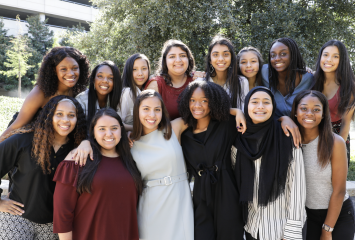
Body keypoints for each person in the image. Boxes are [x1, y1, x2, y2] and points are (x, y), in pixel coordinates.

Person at [0, 96, 87, 239]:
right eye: (59, 114)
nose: (65, 120)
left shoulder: (78, 150)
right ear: (48, 116)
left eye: (71, 115)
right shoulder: (23, 141)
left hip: (54, 225)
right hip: (18, 217)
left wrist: (87, 142)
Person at [53, 108, 142, 240]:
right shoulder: (78, 158)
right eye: (102, 129)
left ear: (121, 131)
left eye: (114, 128)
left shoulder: (131, 159)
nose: (109, 134)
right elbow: (63, 209)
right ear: (93, 133)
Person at [233, 86, 306, 240]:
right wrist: (234, 112)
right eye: (255, 102)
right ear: (246, 106)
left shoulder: (287, 136)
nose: (260, 106)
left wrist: (292, 230)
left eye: (266, 102)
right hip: (252, 227)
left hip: (281, 228)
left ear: (273, 107)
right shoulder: (239, 141)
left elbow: (297, 186)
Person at [178, 81, 246, 240]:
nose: (197, 105)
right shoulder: (184, 134)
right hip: (200, 194)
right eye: (192, 100)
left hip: (227, 191)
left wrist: (284, 119)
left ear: (213, 102)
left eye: (204, 100)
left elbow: (260, 121)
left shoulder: (227, 125)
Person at [130, 89, 195, 240]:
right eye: (146, 109)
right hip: (150, 206)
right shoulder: (130, 142)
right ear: (137, 111)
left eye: (157, 110)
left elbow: (203, 112)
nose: (152, 115)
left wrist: (236, 112)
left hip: (180, 201)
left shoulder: (173, 128)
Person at [291, 90, 355, 240]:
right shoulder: (289, 141)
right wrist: (283, 119)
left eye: (316, 110)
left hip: (338, 215)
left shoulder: (335, 142)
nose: (309, 113)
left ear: (324, 114)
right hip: (307, 216)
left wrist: (327, 230)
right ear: (295, 111)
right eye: (304, 108)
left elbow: (339, 190)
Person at [0, 46, 90, 140]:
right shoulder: (40, 92)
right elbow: (16, 127)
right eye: (63, 69)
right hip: (26, 137)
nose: (71, 73)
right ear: (54, 70)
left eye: (75, 68)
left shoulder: (79, 92)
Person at [312, 40, 355, 165]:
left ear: (342, 60)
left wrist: (336, 150)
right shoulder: (311, 81)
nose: (329, 59)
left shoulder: (349, 87)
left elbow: (346, 124)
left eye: (335, 56)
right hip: (313, 135)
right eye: (325, 55)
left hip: (337, 136)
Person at [262, 37, 314, 118]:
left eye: (283, 54)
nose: (277, 58)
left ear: (293, 55)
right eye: (273, 55)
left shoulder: (308, 79)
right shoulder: (264, 72)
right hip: (272, 126)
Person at [145, 39, 195, 120]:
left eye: (182, 55)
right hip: (165, 131)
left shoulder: (196, 79)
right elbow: (146, 118)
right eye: (172, 56)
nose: (178, 60)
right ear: (165, 61)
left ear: (188, 59)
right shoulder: (156, 85)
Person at [195, 35, 249, 109]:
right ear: (210, 60)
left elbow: (243, 111)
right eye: (215, 54)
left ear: (231, 58)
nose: (220, 59)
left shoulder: (242, 82)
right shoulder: (200, 81)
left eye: (226, 54)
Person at [76, 60, 123, 126]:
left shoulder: (120, 99)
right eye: (100, 76)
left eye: (111, 78)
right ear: (93, 79)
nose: (105, 81)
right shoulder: (81, 100)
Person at [121, 53, 151, 130]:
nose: (140, 73)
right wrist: (141, 129)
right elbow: (118, 123)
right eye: (135, 69)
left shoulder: (148, 90)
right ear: (128, 71)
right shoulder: (127, 92)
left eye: (144, 68)